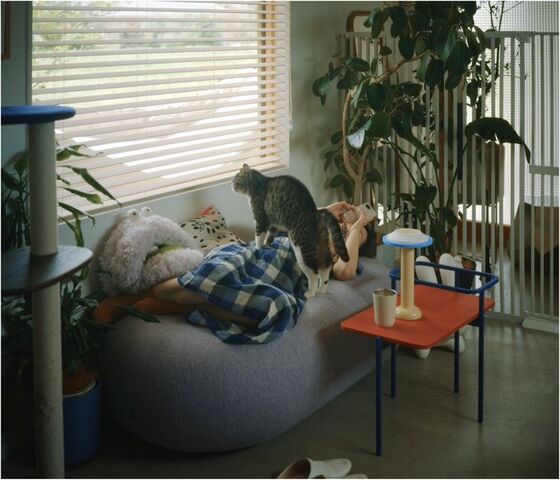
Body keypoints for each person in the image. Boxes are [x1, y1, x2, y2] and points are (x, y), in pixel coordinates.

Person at [150, 202, 374, 327]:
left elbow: (346, 273)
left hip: (279, 280)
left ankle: (196, 306)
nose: (350, 228)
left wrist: (356, 230)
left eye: (358, 235)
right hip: (259, 258)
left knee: (279, 309)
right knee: (223, 271)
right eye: (347, 226)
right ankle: (148, 294)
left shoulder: (335, 261)